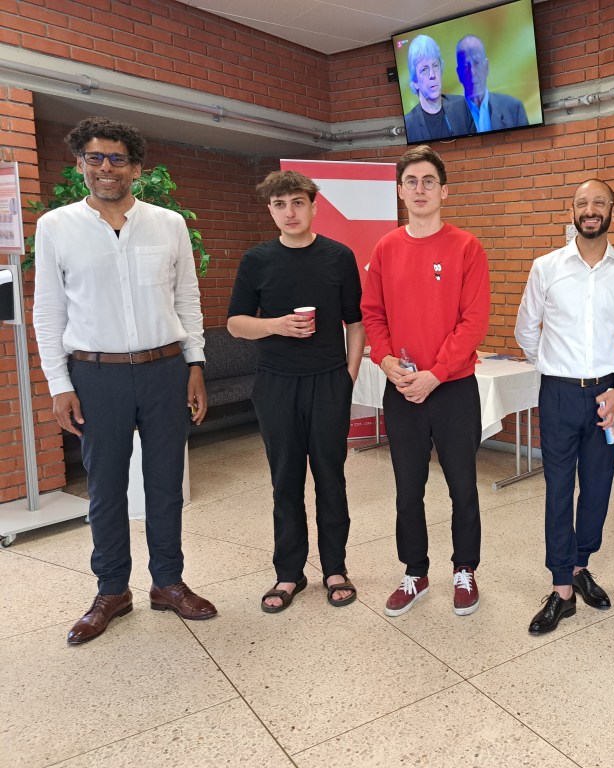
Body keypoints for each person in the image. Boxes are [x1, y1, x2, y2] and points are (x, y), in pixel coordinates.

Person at [33, 116, 216, 644]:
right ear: (80, 165)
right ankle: (112, 590)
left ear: (136, 168)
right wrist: (59, 384)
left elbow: (187, 300)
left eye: (117, 158)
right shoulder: (56, 227)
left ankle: (168, 583)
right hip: (96, 376)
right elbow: (48, 311)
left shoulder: (169, 224)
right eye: (95, 158)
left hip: (165, 371)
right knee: (106, 489)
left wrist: (195, 365)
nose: (106, 167)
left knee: (165, 484)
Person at [226, 171, 365, 613]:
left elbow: (355, 322)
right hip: (276, 384)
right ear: (270, 210)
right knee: (285, 480)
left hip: (328, 381)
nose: (290, 212)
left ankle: (335, 568)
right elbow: (236, 324)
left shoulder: (338, 256)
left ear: (313, 206)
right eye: (280, 204)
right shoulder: (257, 260)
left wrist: (348, 375)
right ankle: (288, 572)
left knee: (331, 477)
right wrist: (277, 325)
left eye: (298, 202)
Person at [361, 145, 490, 617]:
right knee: (407, 488)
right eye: (411, 181)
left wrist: (436, 374)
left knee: (463, 486)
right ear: (400, 191)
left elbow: (474, 321)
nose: (420, 189)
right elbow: (372, 313)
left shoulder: (466, 247)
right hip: (403, 388)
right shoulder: (386, 248)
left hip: (453, 387)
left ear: (444, 191)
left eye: (428, 181)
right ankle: (415, 571)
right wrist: (385, 360)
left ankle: (465, 569)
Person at [515, 179, 614, 635]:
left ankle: (579, 566)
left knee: (597, 488)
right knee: (558, 488)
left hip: (606, 397)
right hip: (557, 394)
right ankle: (561, 589)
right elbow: (526, 329)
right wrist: (553, 367)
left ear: (613, 210)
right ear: (571, 212)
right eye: (582, 203)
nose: (590, 210)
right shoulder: (546, 267)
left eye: (599, 203)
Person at [403, 35, 476, 142]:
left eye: (435, 65)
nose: (432, 75)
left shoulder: (461, 106)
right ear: (415, 82)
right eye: (424, 70)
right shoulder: (408, 125)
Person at [455, 35, 529, 133]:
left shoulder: (514, 109)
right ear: (459, 73)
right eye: (465, 66)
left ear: (486, 67)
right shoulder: (450, 118)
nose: (472, 72)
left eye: (476, 63)